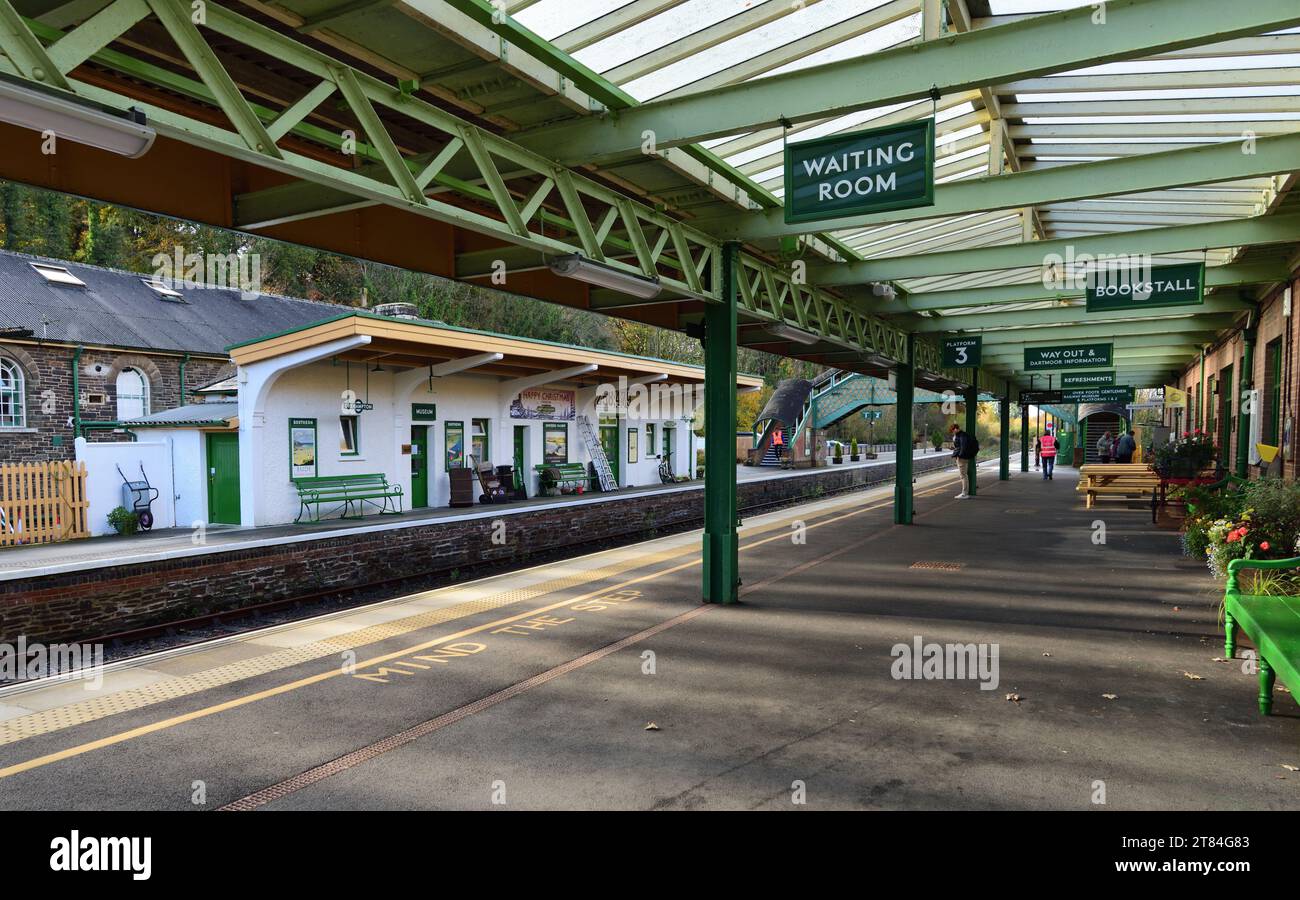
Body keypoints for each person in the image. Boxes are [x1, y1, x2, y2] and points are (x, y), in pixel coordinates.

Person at [949, 422, 974, 499]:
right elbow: (960, 446)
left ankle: (964, 493)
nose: (953, 433)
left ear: (955, 429)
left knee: (963, 475)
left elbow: (963, 446)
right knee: (963, 475)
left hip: (961, 458)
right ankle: (964, 493)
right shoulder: (962, 435)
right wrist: (954, 449)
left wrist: (959, 455)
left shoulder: (961, 435)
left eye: (953, 431)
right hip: (963, 457)